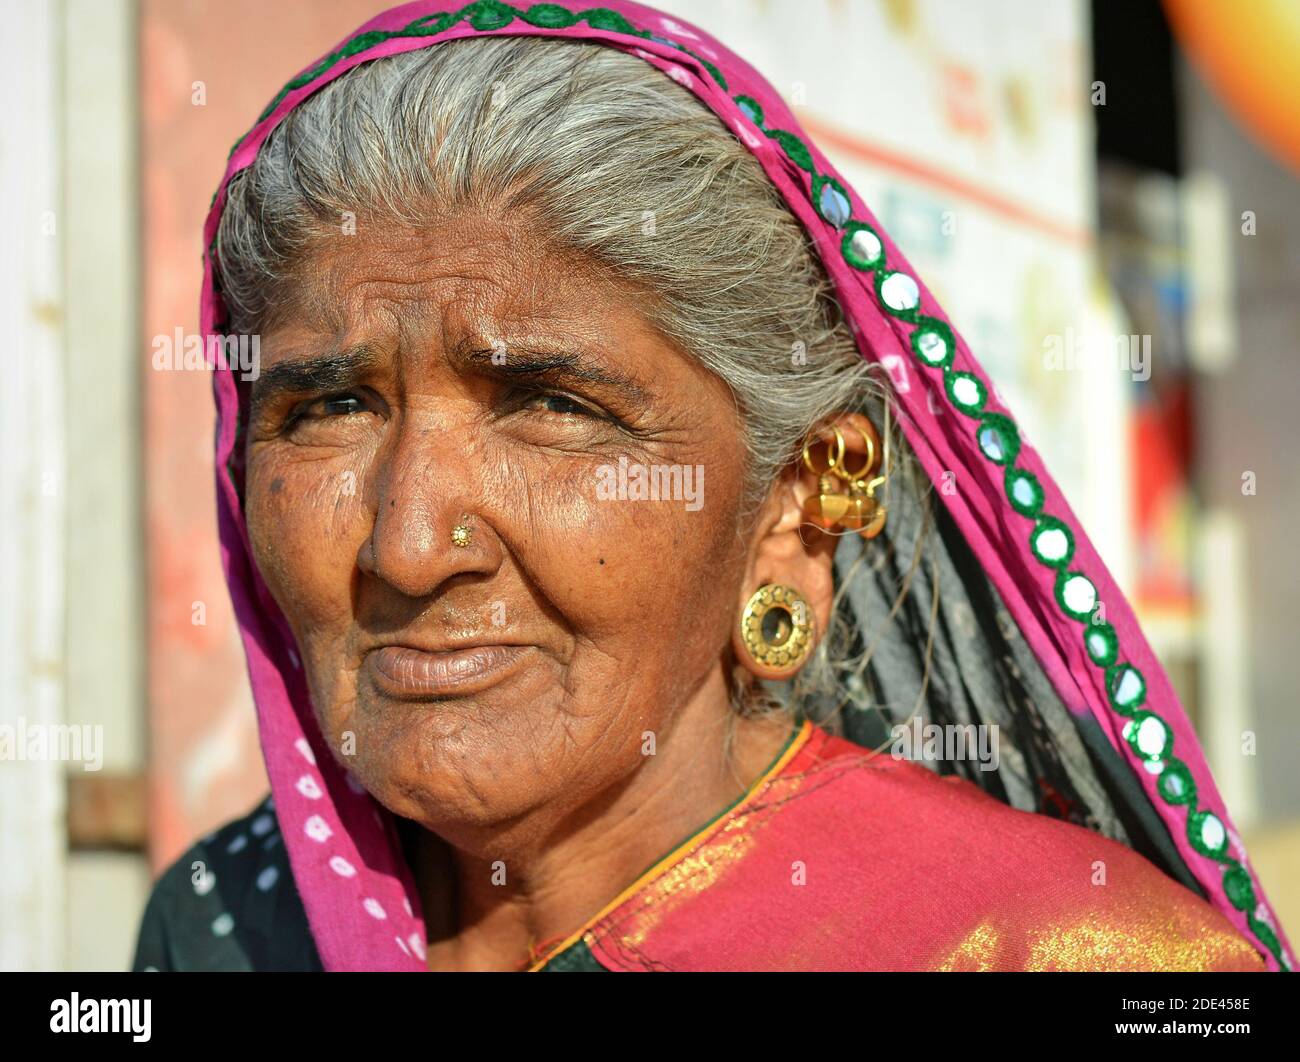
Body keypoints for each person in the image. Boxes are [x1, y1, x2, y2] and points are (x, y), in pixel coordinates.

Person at [132, 0, 1289, 972]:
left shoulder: (1063, 952)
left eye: (553, 407)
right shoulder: (226, 923)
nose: (409, 544)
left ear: (795, 504)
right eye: (329, 408)